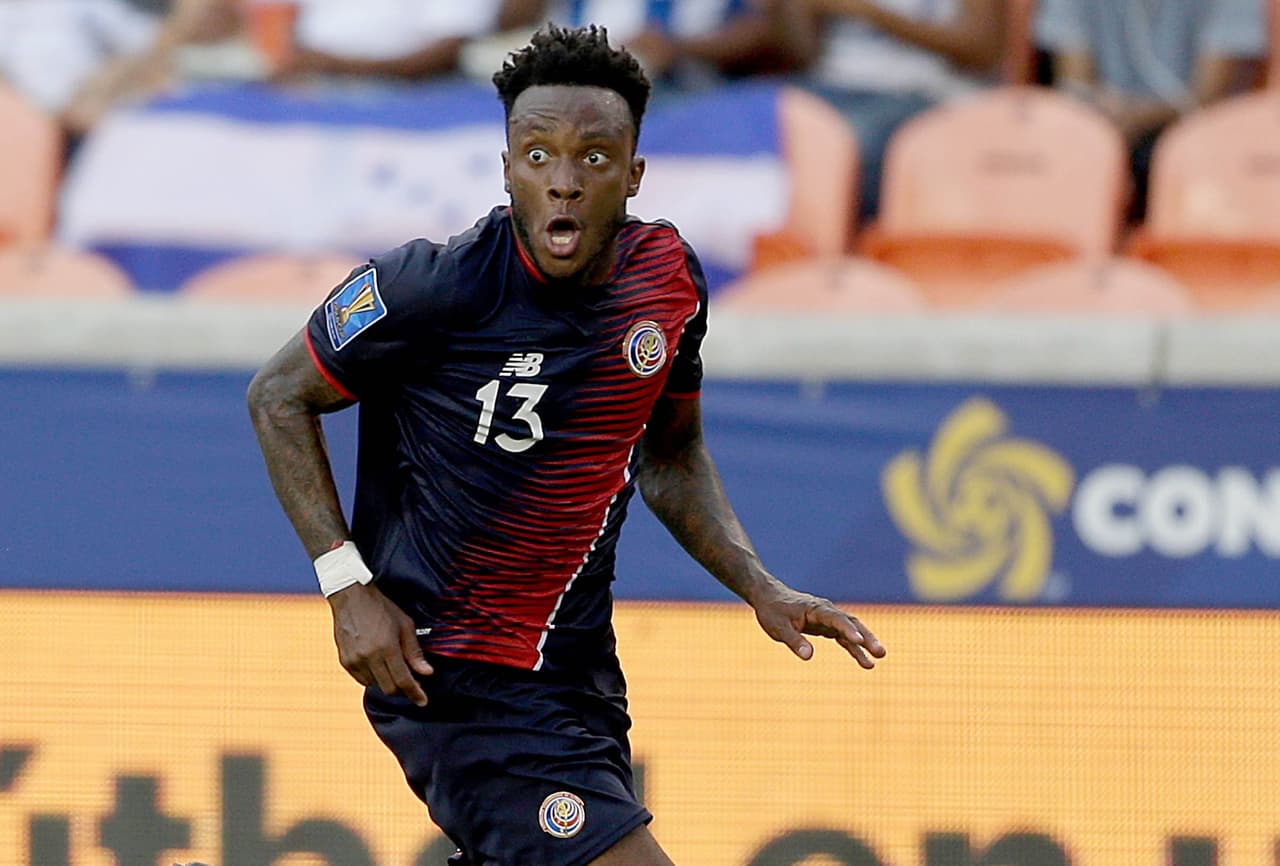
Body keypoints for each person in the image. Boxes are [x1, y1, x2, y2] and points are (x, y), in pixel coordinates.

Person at [247, 23, 884, 866]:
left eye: (592, 158)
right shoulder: (430, 286)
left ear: (633, 175)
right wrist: (345, 584)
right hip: (455, 675)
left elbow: (670, 454)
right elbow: (277, 395)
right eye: (538, 155)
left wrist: (757, 584)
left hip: (577, 673)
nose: (564, 183)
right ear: (507, 169)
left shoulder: (667, 281)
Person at [1034, 0, 1267, 221]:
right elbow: (1075, 91)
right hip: (1104, 135)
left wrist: (1138, 116)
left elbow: (1209, 101)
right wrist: (1111, 117)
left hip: (1202, 144)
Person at [797, 0, 1007, 220]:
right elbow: (800, 51)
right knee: (768, 118)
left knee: (847, 141)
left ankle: (856, 246)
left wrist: (867, 12)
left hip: (925, 92)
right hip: (829, 85)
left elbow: (983, 50)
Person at [495, 0, 810, 93]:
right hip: (569, 86)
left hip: (686, 92)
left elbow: (760, 32)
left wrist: (677, 49)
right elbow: (508, 21)